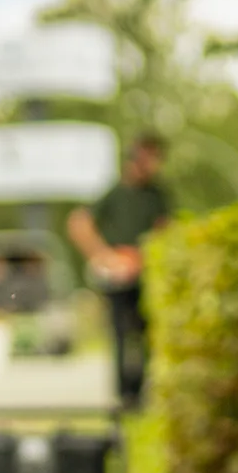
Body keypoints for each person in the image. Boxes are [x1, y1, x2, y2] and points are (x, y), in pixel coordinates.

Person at [66, 134, 173, 409]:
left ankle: (144, 392)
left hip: (146, 275)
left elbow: (165, 229)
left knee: (147, 335)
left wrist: (148, 256)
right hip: (117, 277)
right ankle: (125, 396)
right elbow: (79, 222)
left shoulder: (158, 194)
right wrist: (104, 255)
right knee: (121, 336)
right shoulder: (115, 193)